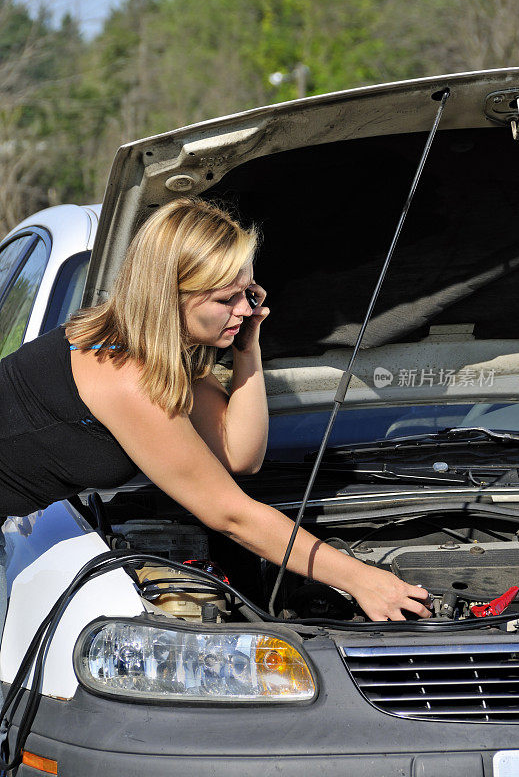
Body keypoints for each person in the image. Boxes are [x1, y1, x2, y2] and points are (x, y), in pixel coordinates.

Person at [0, 197, 430, 622]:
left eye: (249, 292)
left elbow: (240, 455)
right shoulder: (123, 372)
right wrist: (360, 579)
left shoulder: (161, 350)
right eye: (227, 299)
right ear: (171, 296)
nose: (245, 309)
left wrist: (249, 347)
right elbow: (229, 513)